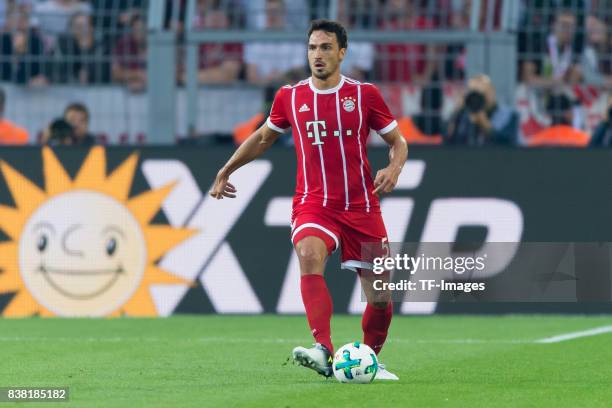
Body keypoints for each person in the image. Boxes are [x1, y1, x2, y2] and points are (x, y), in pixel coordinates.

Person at [210, 19, 407, 380]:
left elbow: (399, 142)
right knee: (309, 255)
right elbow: (263, 138)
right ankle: (323, 348)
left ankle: (369, 359)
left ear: (342, 53)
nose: (318, 55)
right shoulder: (291, 96)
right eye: (313, 48)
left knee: (379, 297)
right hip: (314, 203)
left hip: (361, 206)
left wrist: (393, 169)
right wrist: (227, 169)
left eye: (326, 47)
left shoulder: (364, 95)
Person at [244, 0, 307, 84]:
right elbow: (251, 76)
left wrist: (279, 78)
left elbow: (299, 72)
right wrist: (269, 81)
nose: (271, 15)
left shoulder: (295, 37)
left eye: (275, 11)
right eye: (268, 11)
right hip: (261, 90)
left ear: (284, 12)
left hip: (289, 90)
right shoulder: (256, 38)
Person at [445, 74, 519, 146]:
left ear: (492, 91)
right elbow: (447, 139)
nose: (477, 98)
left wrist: (484, 123)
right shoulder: (463, 116)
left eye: (483, 92)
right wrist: (457, 111)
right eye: (474, 93)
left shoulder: (509, 115)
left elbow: (508, 142)